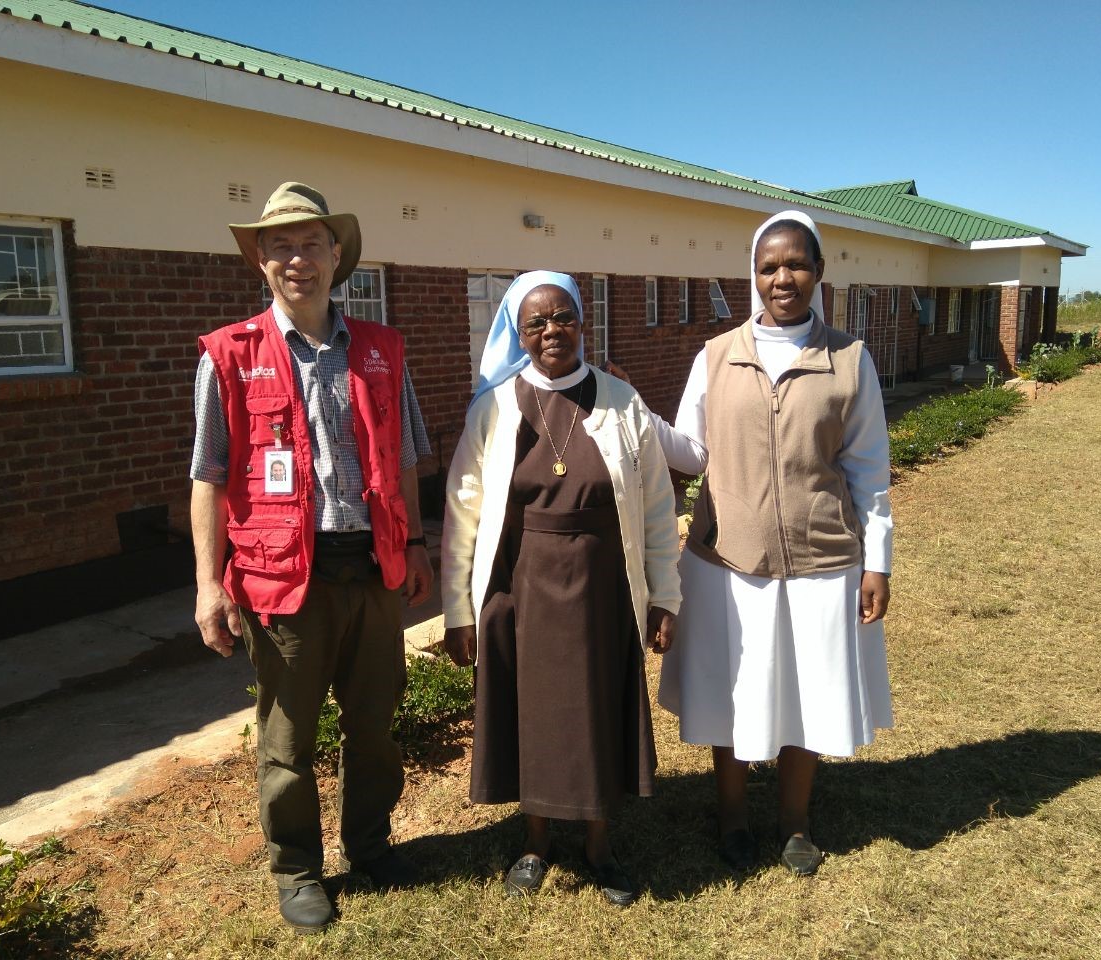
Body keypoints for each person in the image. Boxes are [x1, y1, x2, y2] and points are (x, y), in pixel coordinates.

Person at [190, 182, 434, 932]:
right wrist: (207, 585)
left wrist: (417, 543)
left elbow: (406, 459)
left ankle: (371, 846)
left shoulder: (383, 351)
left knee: (374, 726)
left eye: (312, 244)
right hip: (282, 580)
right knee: (289, 743)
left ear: (337, 256)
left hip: (373, 568)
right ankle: (297, 870)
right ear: (261, 262)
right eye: (281, 246)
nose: (299, 259)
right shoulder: (229, 357)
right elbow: (208, 476)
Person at [653, 211, 893, 877]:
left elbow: (869, 467)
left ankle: (793, 823)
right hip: (729, 560)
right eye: (768, 266)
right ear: (752, 275)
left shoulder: (849, 358)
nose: (781, 277)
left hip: (821, 559)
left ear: (818, 272)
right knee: (734, 690)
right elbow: (691, 449)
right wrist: (633, 412)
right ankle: (731, 815)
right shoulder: (717, 354)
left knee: (804, 693)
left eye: (795, 264)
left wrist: (879, 561)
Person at [441, 271, 682, 906]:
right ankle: (536, 841)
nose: (552, 331)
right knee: (533, 712)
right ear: (519, 334)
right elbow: (463, 509)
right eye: (536, 322)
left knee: (599, 708)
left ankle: (600, 846)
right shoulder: (493, 409)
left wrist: (665, 595)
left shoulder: (622, 402)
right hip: (523, 586)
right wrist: (458, 610)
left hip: (605, 585)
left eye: (564, 317)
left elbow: (657, 506)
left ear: (582, 321)